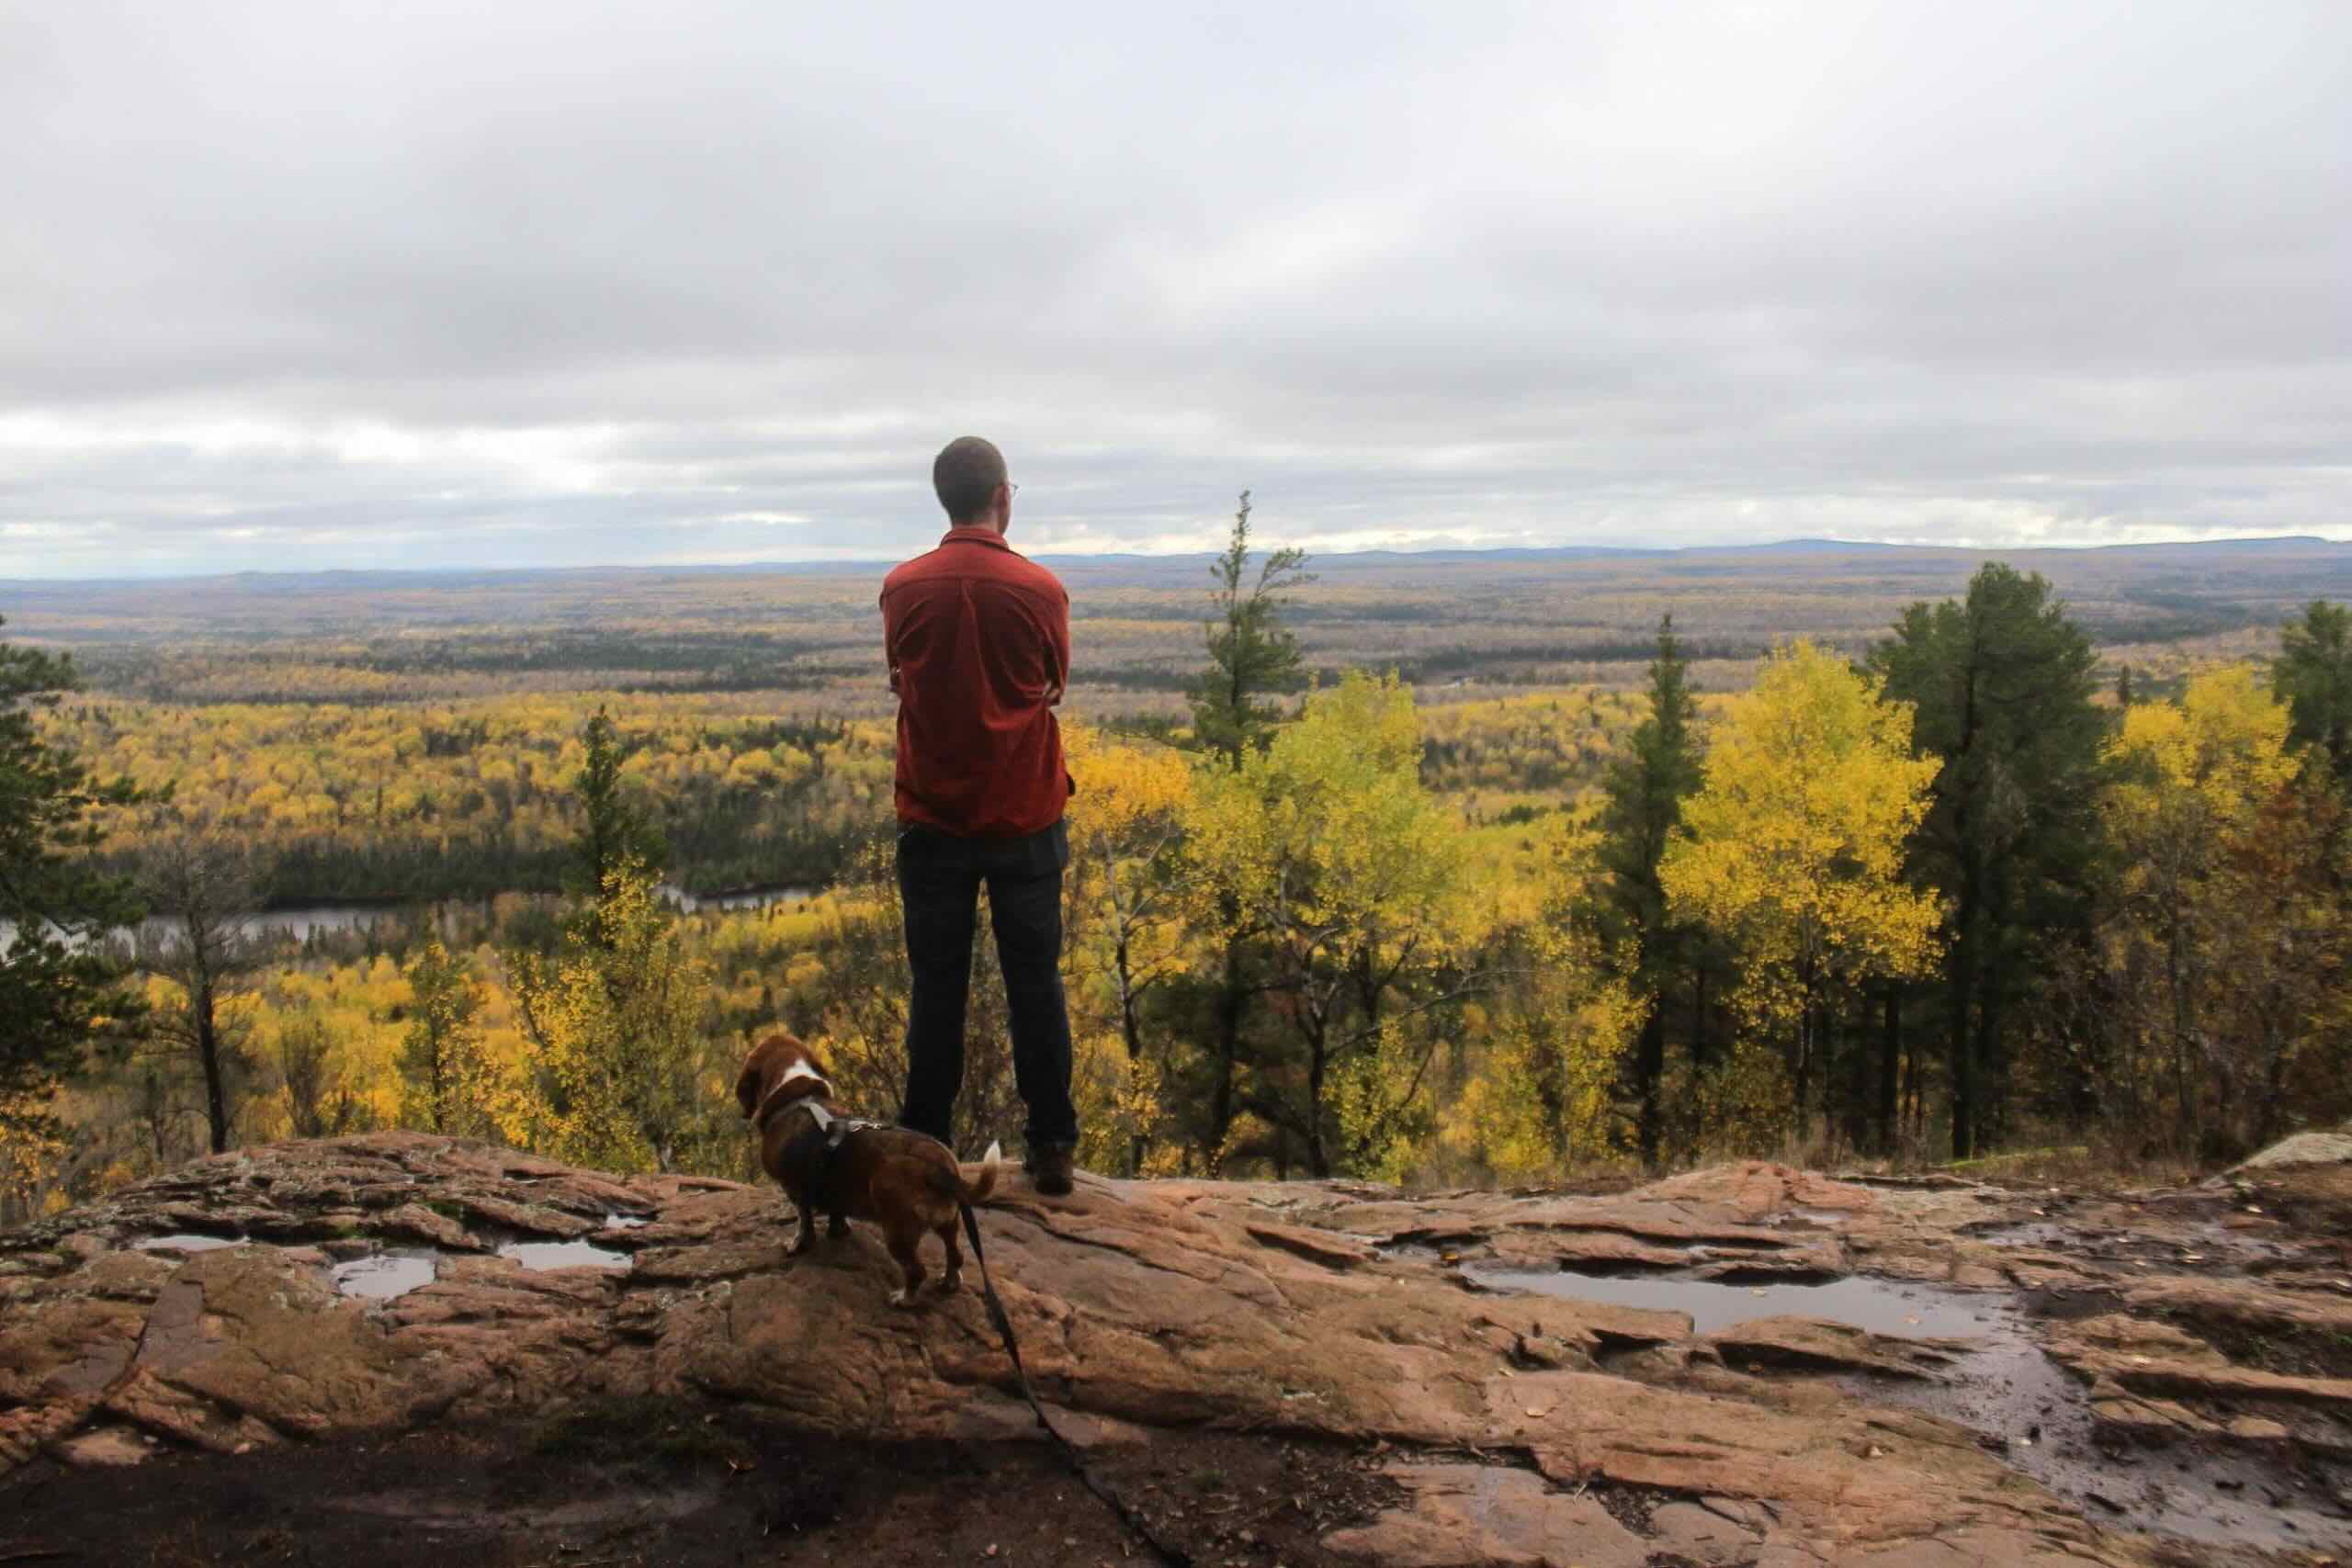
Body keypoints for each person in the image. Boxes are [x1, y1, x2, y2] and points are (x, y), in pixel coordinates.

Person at [879, 436, 1080, 1196]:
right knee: (1037, 986)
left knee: (936, 990)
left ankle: (924, 1150)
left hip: (932, 819)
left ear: (945, 499)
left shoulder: (902, 588)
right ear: (1002, 497)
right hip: (1025, 819)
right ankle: (1052, 1148)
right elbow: (1054, 683)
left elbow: (900, 677)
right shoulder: (1041, 590)